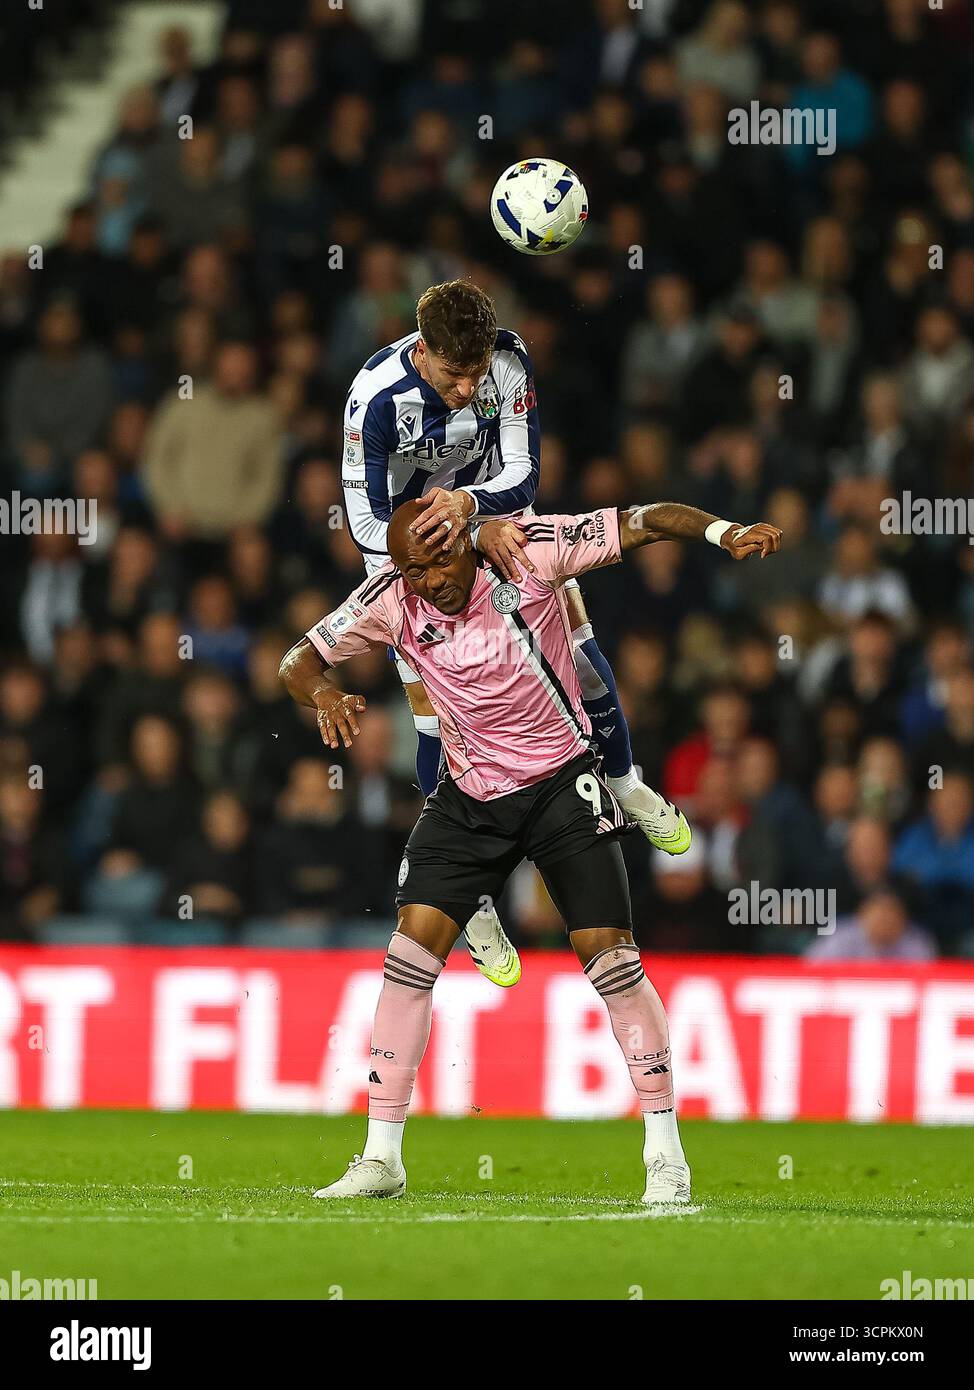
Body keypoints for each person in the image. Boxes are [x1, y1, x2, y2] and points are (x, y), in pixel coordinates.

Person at [280, 494, 782, 1203]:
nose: (430, 582)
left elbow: (645, 521)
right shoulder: (391, 597)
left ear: (466, 539)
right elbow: (295, 662)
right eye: (414, 570)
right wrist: (323, 694)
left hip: (560, 786)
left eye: (439, 563)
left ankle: (665, 1153)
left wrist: (724, 531)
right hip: (469, 797)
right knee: (407, 956)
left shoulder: (528, 550)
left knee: (612, 958)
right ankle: (381, 1157)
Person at [341, 277, 691, 988]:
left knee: (580, 656)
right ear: (421, 351)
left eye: (475, 373)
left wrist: (470, 513)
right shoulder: (373, 398)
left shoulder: (509, 360)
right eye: (453, 374)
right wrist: (439, 555)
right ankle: (473, 901)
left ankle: (623, 782)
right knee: (439, 723)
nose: (468, 389)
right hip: (414, 564)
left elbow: (524, 473)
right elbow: (366, 523)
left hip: (492, 525)